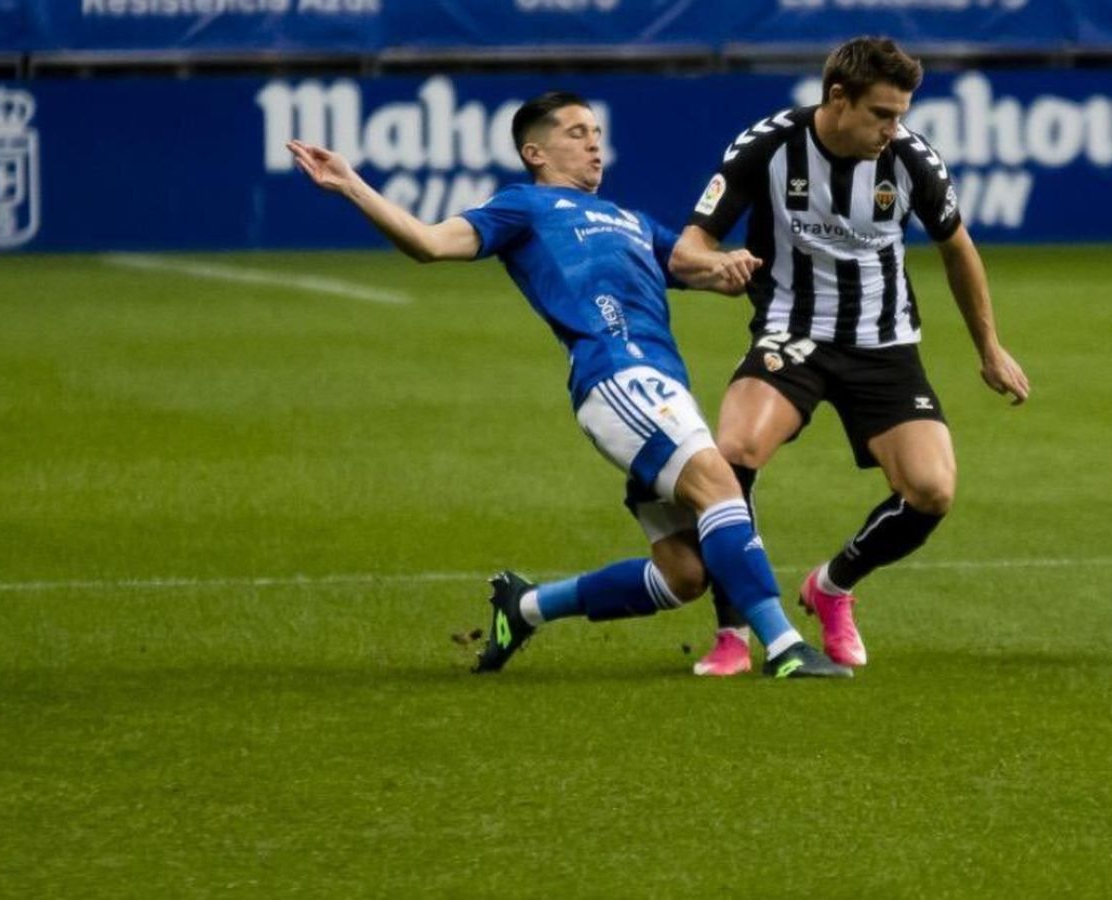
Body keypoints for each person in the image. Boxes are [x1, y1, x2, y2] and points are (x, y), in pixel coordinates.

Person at [288, 91, 850, 679]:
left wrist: (726, 267)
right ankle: (785, 646)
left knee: (684, 575)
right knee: (719, 482)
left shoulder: (632, 221)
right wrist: (352, 184)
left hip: (661, 385)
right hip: (615, 378)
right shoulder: (523, 208)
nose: (593, 144)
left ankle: (527, 606)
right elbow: (429, 243)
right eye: (577, 132)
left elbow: (693, 264)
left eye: (597, 133)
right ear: (535, 151)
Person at [676, 37, 1031, 676]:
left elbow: (958, 249)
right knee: (733, 455)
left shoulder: (912, 160)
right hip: (792, 334)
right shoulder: (766, 146)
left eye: (901, 115)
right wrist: (716, 262)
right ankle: (735, 632)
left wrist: (990, 348)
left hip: (884, 344)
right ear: (838, 98)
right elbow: (688, 246)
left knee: (931, 491)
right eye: (882, 115)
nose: (894, 130)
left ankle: (832, 587)